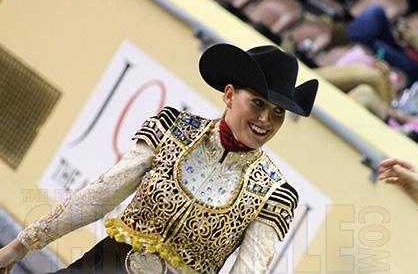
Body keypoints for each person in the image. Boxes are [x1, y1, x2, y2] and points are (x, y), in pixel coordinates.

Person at [0, 43, 319, 274]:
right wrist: (22, 244)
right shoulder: (172, 129)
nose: (266, 119)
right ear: (229, 94)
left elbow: (249, 271)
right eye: (258, 103)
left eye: (278, 112)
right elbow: (102, 194)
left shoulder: (273, 194)